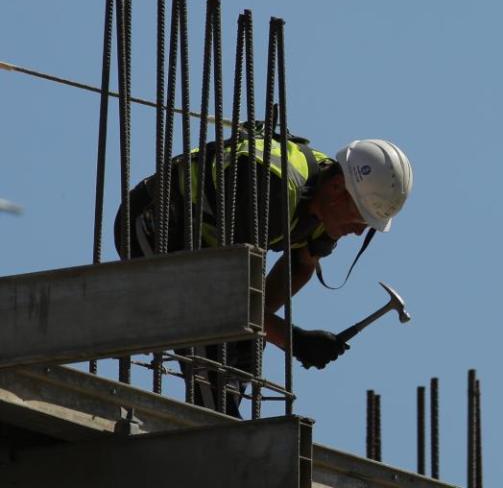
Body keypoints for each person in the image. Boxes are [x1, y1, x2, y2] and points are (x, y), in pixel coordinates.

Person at [114, 134, 413, 411]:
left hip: (205, 251)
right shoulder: (272, 189)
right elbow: (226, 302)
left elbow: (301, 264)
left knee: (243, 342)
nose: (360, 232)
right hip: (155, 222)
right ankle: (218, 433)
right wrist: (291, 338)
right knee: (210, 329)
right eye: (361, 217)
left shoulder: (327, 200)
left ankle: (222, 422)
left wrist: (257, 325)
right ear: (337, 189)